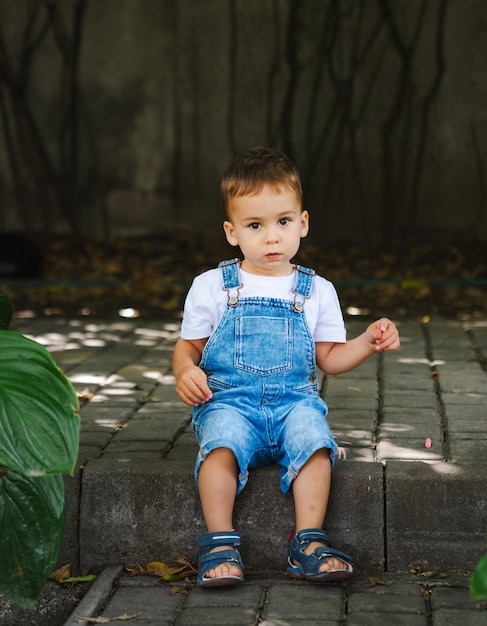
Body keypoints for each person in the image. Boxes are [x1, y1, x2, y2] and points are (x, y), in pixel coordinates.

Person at [172, 146, 400, 587]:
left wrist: (367, 343)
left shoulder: (317, 290)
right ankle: (220, 541)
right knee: (220, 446)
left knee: (317, 443)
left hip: (294, 403)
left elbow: (330, 359)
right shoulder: (213, 287)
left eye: (283, 222)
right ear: (232, 232)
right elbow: (188, 348)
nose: (272, 237)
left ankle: (309, 541)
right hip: (230, 404)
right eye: (255, 226)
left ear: (304, 222)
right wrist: (185, 371)